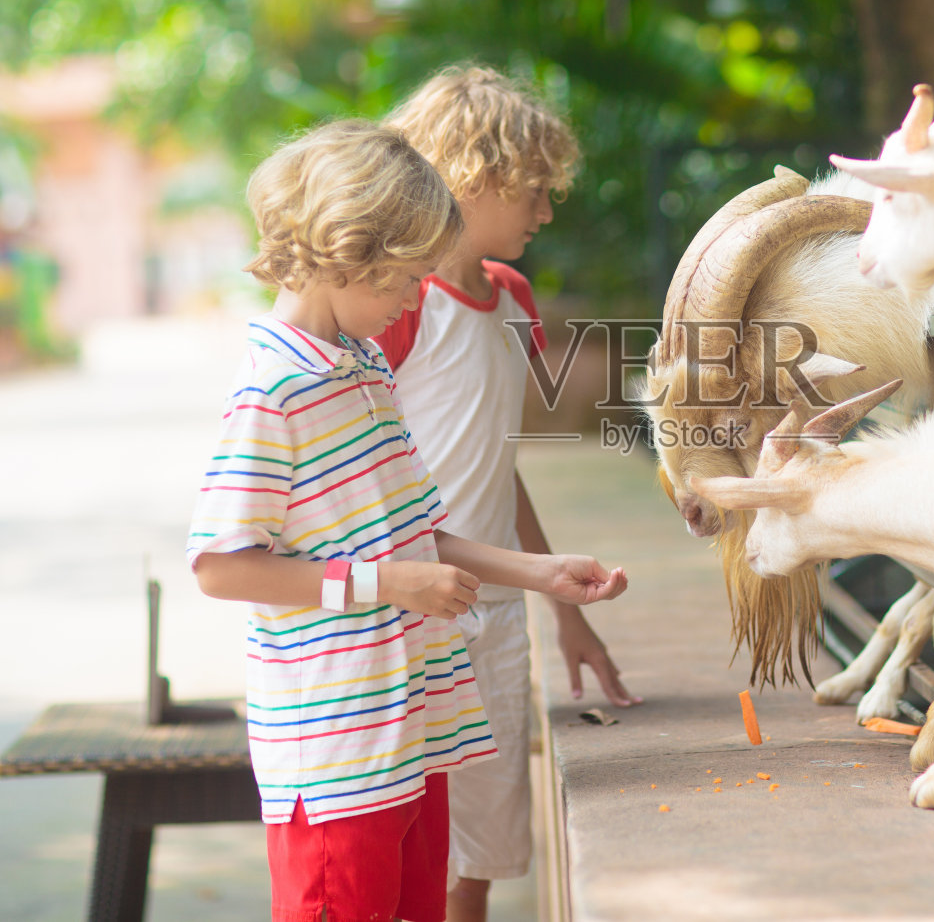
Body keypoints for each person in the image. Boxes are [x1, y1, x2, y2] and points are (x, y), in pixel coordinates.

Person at [186, 118, 627, 922]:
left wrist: (539, 572)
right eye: (399, 280)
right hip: (335, 763)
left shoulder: (360, 367)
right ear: (347, 254)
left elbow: (415, 534)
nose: (406, 299)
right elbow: (222, 565)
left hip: (411, 740)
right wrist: (387, 584)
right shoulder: (272, 390)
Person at [377, 65, 643, 922]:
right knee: (404, 850)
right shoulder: (399, 305)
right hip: (404, 615)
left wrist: (559, 606)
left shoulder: (513, 299)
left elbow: (498, 462)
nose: (546, 211)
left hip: (494, 617)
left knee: (477, 862)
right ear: (473, 177)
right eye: (533, 190)